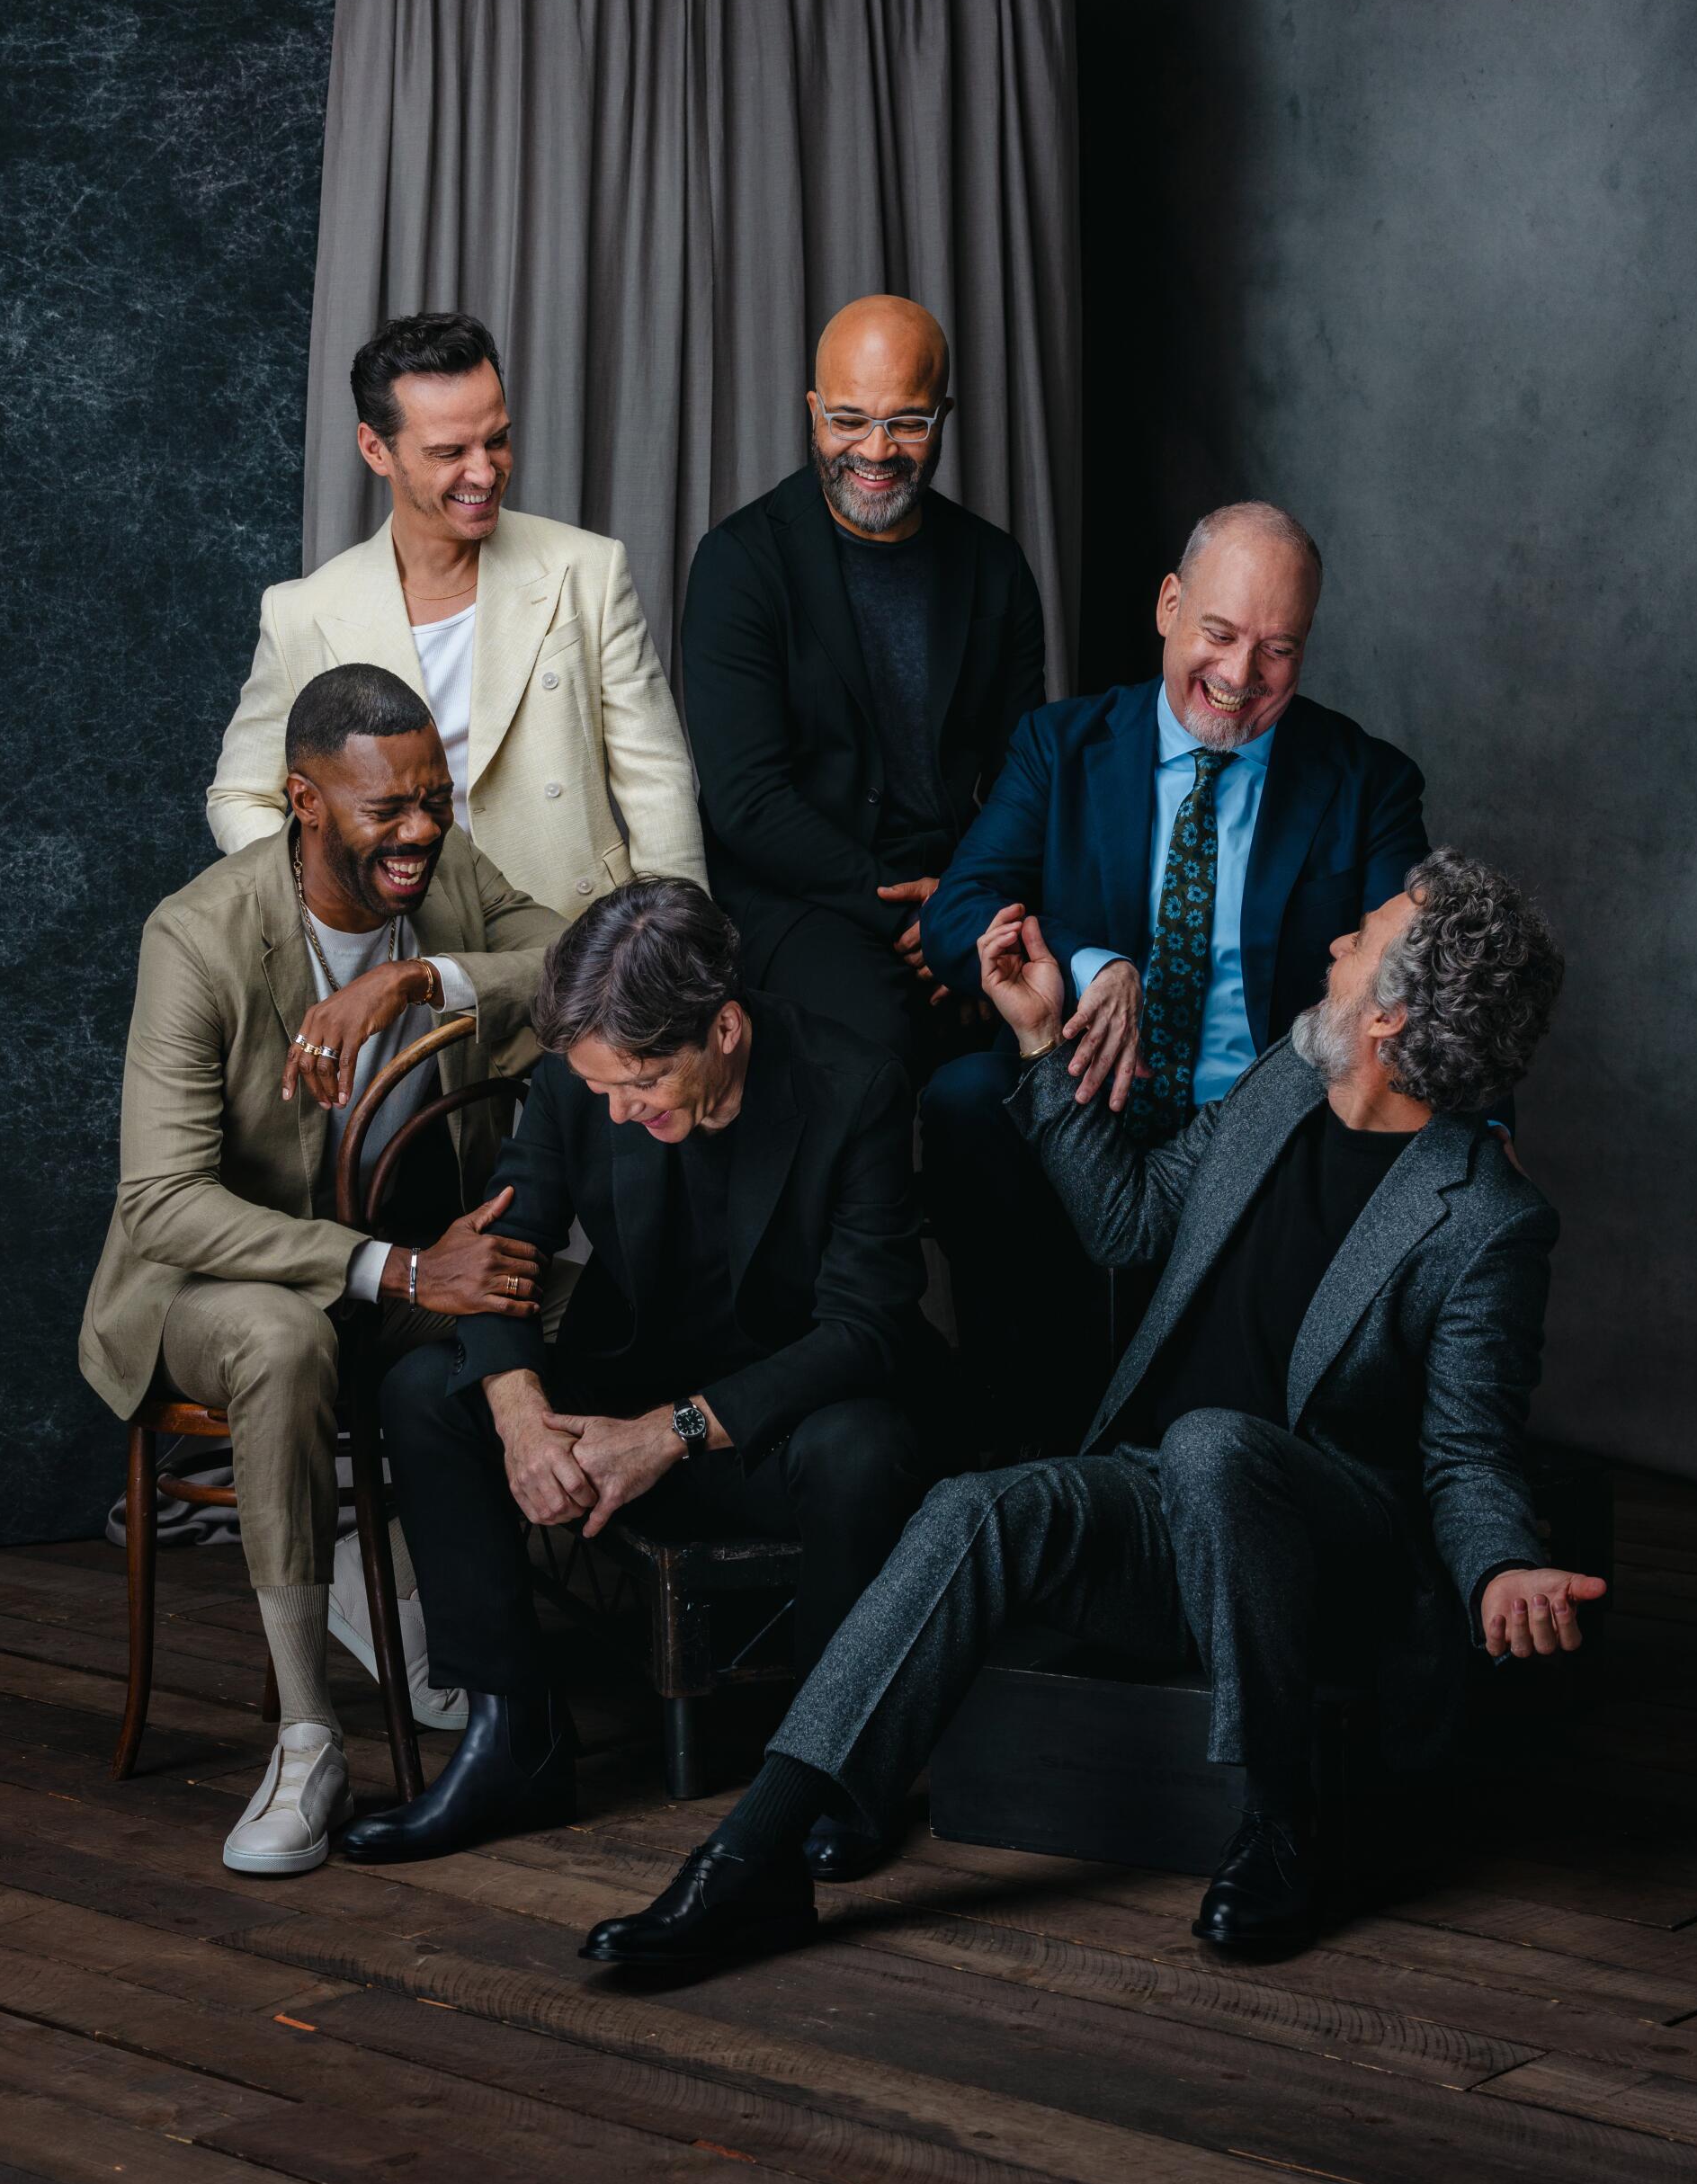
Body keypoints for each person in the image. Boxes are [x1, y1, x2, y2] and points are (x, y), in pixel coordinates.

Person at [580, 847, 1602, 1972]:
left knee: (1214, 1445)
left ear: (1391, 1018)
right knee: (974, 1509)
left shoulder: (1484, 1217)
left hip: (1323, 1561)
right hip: (1158, 1509)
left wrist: (1499, 1565)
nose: (1333, 945)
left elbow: (1464, 1455)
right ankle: (749, 1863)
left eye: (1358, 941)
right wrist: (1034, 1036)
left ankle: (1278, 1825)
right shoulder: (1281, 1084)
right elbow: (1127, 1222)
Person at [339, 878, 951, 1882]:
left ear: (721, 1027)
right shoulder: (575, 1078)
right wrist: (523, 1417)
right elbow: (504, 1254)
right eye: (599, 1091)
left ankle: (831, 1764)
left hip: (783, 1413)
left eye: (641, 1085)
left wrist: (670, 1431)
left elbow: (864, 1330)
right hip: (636, 1379)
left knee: (865, 1445)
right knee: (423, 1391)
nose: (618, 1111)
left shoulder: (855, 1085)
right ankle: (513, 1740)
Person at [81, 666, 564, 1877]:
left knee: (527, 1294)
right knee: (285, 1343)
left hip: (392, 1266)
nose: (418, 830)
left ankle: (428, 1610)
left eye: (434, 798)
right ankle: (308, 1736)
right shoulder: (197, 939)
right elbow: (163, 1200)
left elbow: (576, 965)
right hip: (209, 1285)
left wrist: (420, 977)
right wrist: (395, 1266)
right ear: (303, 799)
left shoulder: (444, 877)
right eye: (384, 807)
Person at [918, 502, 1430, 1446]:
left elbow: (1416, 976)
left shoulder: (1364, 782)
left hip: (1255, 1119)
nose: (1238, 678)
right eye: (1219, 634)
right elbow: (955, 915)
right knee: (961, 1100)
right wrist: (1089, 961)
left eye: (1276, 650)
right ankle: (1011, 1421)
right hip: (1078, 1087)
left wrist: (1483, 1131)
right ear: (1166, 606)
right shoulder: (1060, 746)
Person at [205, 310, 707, 918]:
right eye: (449, 451)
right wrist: (325, 892)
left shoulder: (588, 570)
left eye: (496, 439)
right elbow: (239, 793)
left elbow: (657, 781)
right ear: (376, 449)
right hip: (395, 941)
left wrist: (677, 949)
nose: (484, 472)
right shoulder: (303, 613)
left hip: (574, 940)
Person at [680, 294, 1045, 1081]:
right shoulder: (739, 565)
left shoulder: (995, 568)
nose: (876, 451)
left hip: (957, 885)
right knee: (878, 1038)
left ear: (943, 415)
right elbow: (746, 802)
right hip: (799, 895)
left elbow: (1027, 776)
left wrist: (967, 906)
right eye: (849, 420)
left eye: (906, 422)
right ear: (813, 414)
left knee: (1046, 1036)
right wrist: (910, 911)